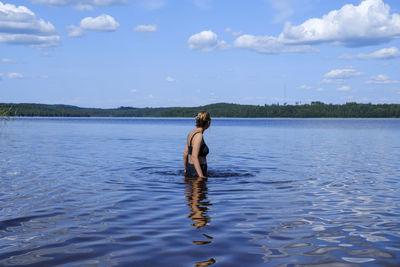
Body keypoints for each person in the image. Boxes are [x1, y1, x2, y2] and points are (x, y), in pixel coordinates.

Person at [183, 111, 211, 178]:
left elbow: (185, 153)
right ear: (208, 122)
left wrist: (185, 169)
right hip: (198, 171)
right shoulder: (199, 136)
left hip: (190, 168)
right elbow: (194, 156)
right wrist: (201, 176)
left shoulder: (191, 133)